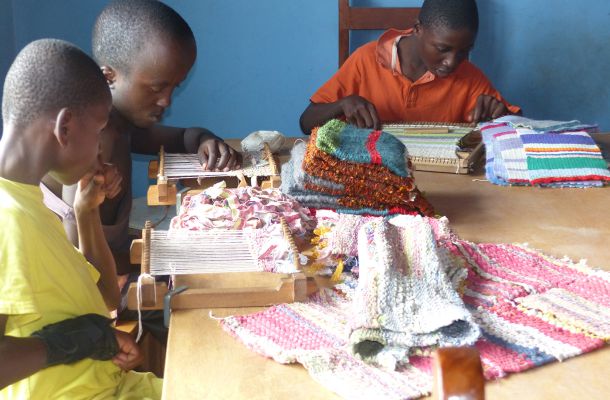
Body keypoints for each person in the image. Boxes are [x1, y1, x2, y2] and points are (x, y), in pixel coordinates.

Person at [42, 0, 242, 308]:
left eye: (175, 86)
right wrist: (161, 260)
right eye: (157, 88)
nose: (166, 101)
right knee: (208, 294)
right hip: (79, 291)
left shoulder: (120, 123)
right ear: (109, 77)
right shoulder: (92, 143)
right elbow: (81, 264)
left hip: (112, 262)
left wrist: (205, 139)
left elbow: (182, 137)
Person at [0, 39, 161, 399]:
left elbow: (105, 296)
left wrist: (85, 213)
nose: (101, 147)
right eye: (99, 130)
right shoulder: (7, 218)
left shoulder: (30, 202)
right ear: (65, 127)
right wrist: (72, 342)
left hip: (113, 387)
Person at [299, 0, 520, 134]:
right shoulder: (366, 60)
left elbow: (520, 127)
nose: (452, 62)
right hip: (371, 177)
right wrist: (343, 104)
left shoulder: (468, 76)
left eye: (464, 51)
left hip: (444, 184)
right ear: (417, 29)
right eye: (442, 48)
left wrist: (500, 115)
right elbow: (306, 123)